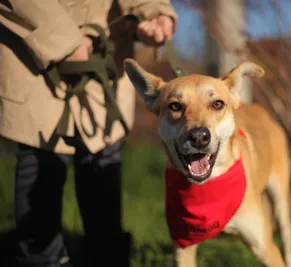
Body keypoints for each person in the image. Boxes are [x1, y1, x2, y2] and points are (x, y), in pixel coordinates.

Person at [0, 1, 177, 267]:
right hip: (33, 52)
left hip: (105, 55)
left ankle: (108, 258)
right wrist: (62, 38)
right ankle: (40, 259)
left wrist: (155, 11)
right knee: (40, 159)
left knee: (103, 158)